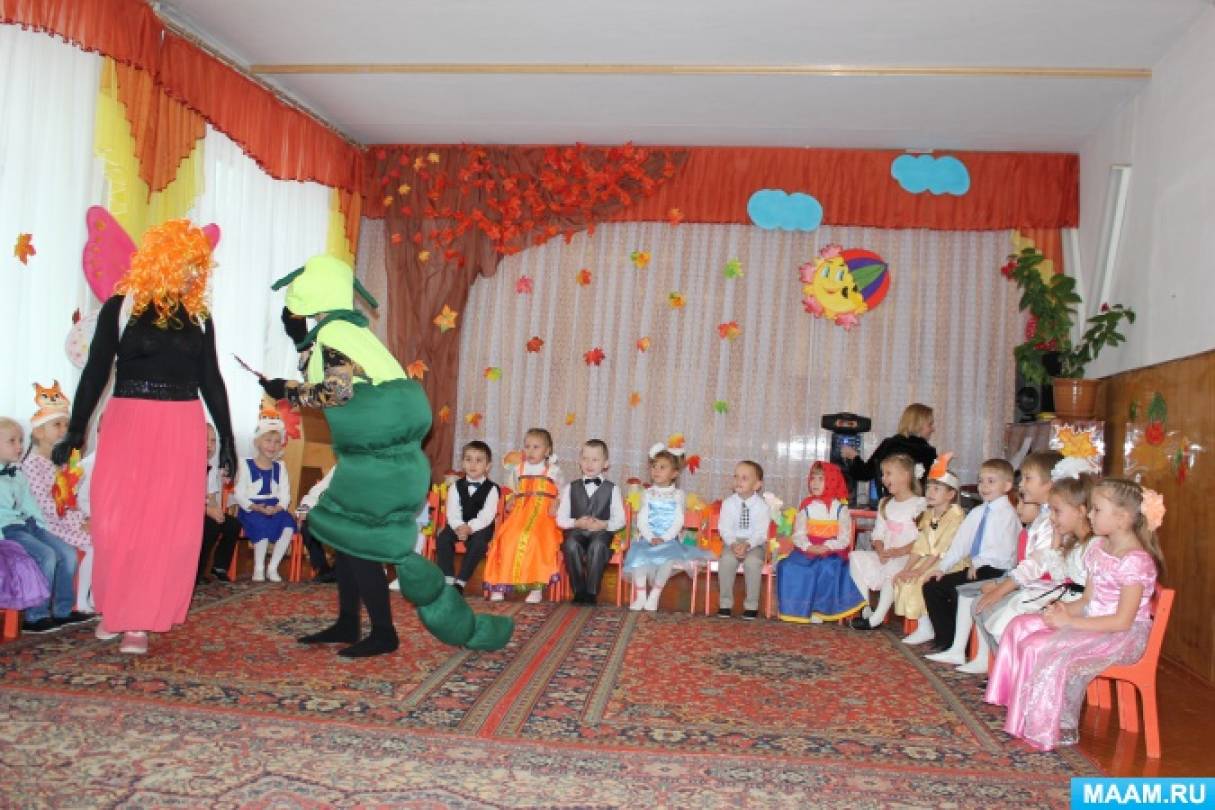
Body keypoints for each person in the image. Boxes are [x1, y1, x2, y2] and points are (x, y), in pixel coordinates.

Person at [263, 255, 512, 656]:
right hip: (386, 461)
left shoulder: (335, 333)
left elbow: (336, 391)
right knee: (347, 537)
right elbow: (335, 376)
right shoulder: (348, 332)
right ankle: (348, 622)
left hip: (381, 465)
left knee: (362, 545)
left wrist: (286, 390)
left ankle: (383, 633)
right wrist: (300, 341)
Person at [55, 220, 234, 656]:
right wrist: (76, 430)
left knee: (165, 527)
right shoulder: (122, 307)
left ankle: (138, 619)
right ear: (164, 261)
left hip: (181, 425)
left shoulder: (199, 317)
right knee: (116, 521)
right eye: (187, 265)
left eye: (198, 267)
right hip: (129, 422)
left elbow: (212, 379)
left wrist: (228, 438)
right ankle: (115, 606)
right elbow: (95, 373)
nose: (194, 274)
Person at [985, 479, 1164, 751]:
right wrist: (1063, 609)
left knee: (1039, 646)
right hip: (1093, 621)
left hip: (1120, 636)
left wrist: (1070, 622)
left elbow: (1122, 621)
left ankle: (1044, 728)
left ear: (1122, 518)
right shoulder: (1100, 548)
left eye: (1097, 510)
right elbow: (1088, 599)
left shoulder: (1135, 561)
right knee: (1021, 624)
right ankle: (1017, 708)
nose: (1090, 515)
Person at [966, 467, 1094, 675]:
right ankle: (1011, 674)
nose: (1052, 518)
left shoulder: (1092, 546)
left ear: (1080, 511)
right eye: (1051, 511)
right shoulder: (1072, 541)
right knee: (1001, 619)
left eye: (1057, 511)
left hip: (1070, 602)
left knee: (1012, 623)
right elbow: (1058, 573)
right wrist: (1056, 541)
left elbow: (1051, 574)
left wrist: (1002, 588)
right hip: (1058, 594)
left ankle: (1020, 675)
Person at [922, 459, 1019, 659]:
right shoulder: (977, 512)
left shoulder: (1008, 515)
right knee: (933, 585)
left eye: (991, 481)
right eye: (981, 481)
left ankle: (960, 646)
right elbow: (960, 545)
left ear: (1007, 486)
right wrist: (942, 568)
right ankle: (946, 640)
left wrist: (979, 562)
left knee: (958, 589)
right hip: (979, 567)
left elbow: (1005, 551)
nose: (984, 486)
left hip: (998, 570)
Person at [0, 417, 86, 633]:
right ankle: (35, 616)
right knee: (46, 555)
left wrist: (44, 528)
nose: (19, 446)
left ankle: (62, 610)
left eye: (21, 440)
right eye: (12, 441)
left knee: (67, 553)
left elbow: (30, 504)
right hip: (8, 528)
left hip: (29, 524)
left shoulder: (17, 471)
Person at [23, 396, 95, 613]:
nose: (64, 430)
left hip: (67, 520)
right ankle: (80, 601)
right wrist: (76, 523)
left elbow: (70, 497)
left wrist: (84, 518)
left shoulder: (60, 463)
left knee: (103, 541)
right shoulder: (33, 464)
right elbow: (44, 504)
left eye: (66, 425)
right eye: (57, 425)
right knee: (94, 545)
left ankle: (90, 597)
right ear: (39, 432)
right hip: (49, 524)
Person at [622, 443, 711, 612]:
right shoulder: (647, 493)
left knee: (668, 559)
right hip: (648, 538)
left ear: (675, 473)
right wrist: (650, 537)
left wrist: (664, 538)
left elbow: (678, 521)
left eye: (662, 467)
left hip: (669, 540)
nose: (656, 470)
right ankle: (641, 596)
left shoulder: (678, 495)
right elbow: (642, 519)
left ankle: (654, 595)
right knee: (638, 555)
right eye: (654, 466)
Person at [775, 460, 866, 623]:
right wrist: (808, 546)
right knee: (788, 566)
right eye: (813, 478)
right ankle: (798, 609)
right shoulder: (806, 506)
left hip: (832, 552)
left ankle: (820, 610)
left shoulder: (840, 509)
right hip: (807, 550)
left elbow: (844, 538)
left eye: (821, 479)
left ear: (832, 481)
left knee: (826, 568)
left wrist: (827, 546)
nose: (815, 483)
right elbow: (798, 533)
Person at [482, 428, 564, 603]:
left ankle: (536, 587)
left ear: (547, 451)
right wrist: (511, 498)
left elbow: (563, 492)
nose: (530, 451)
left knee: (534, 539)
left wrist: (557, 502)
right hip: (520, 514)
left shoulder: (553, 471)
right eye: (527, 446)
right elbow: (512, 490)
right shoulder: (518, 469)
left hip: (543, 516)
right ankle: (500, 585)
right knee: (506, 538)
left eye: (536, 447)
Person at [847, 453, 926, 630]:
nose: (883, 478)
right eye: (883, 474)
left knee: (893, 568)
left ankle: (877, 618)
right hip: (887, 555)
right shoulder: (885, 503)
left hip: (908, 559)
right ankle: (866, 608)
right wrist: (880, 550)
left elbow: (923, 539)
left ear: (905, 475)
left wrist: (900, 551)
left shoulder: (920, 504)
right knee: (855, 557)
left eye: (888, 474)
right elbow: (878, 534)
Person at [894, 454, 965, 643]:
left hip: (949, 562)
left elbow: (942, 548)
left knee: (921, 580)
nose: (930, 492)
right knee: (905, 578)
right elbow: (920, 545)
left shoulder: (956, 515)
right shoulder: (928, 514)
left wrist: (919, 571)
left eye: (936, 489)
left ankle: (928, 628)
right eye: (928, 488)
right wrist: (907, 568)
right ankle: (924, 626)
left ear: (950, 494)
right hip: (931, 559)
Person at [557, 439, 626, 605]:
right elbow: (560, 519)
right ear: (579, 461)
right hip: (576, 532)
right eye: (585, 459)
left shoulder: (613, 489)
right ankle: (579, 590)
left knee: (598, 546)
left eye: (595, 459)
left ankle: (591, 591)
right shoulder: (570, 487)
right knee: (570, 545)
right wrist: (576, 523)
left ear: (605, 464)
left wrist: (604, 524)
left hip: (601, 533)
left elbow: (620, 520)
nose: (589, 463)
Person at [232, 417, 296, 583]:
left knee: (288, 524)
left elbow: (285, 494)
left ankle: (273, 567)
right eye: (268, 440)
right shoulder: (245, 464)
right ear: (257, 442)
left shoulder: (280, 467)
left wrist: (279, 508)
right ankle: (259, 567)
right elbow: (239, 493)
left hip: (275, 508)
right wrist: (256, 507)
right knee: (261, 523)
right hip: (252, 508)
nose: (272, 446)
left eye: (276, 442)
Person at [435, 441, 499, 595]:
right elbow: (452, 512)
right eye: (468, 459)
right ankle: (448, 578)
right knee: (443, 538)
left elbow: (487, 515)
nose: (473, 464)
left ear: (488, 466)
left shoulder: (492, 489)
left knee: (479, 543)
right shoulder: (455, 487)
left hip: (481, 526)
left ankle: (461, 582)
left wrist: (470, 528)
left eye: (479, 460)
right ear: (463, 463)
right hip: (457, 524)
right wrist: (459, 526)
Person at [840, 403, 937, 499]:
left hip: (889, 504)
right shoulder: (929, 453)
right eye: (930, 424)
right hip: (918, 506)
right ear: (918, 425)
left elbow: (864, 474)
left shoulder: (889, 444)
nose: (933, 429)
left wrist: (854, 457)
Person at [715, 460, 771, 620]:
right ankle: (725, 603)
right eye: (736, 476)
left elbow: (761, 533)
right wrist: (733, 544)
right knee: (726, 560)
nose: (738, 481)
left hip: (754, 543)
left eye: (744, 478)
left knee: (753, 563)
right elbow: (724, 529)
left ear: (757, 485)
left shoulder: (762, 506)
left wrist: (747, 544)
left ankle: (751, 606)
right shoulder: (728, 503)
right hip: (732, 542)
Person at [200, 423, 243, 583]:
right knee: (211, 526)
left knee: (232, 524)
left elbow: (211, 496)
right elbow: (184, 501)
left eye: (213, 441)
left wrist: (216, 511)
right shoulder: (186, 465)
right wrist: (208, 511)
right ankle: (197, 572)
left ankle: (219, 567)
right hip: (187, 513)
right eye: (205, 440)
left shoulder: (210, 467)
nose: (209, 445)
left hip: (205, 510)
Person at [296, 467, 337, 583]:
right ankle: (322, 569)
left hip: (351, 519)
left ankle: (337, 571)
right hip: (329, 516)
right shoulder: (339, 467)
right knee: (306, 524)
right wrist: (303, 510)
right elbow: (315, 492)